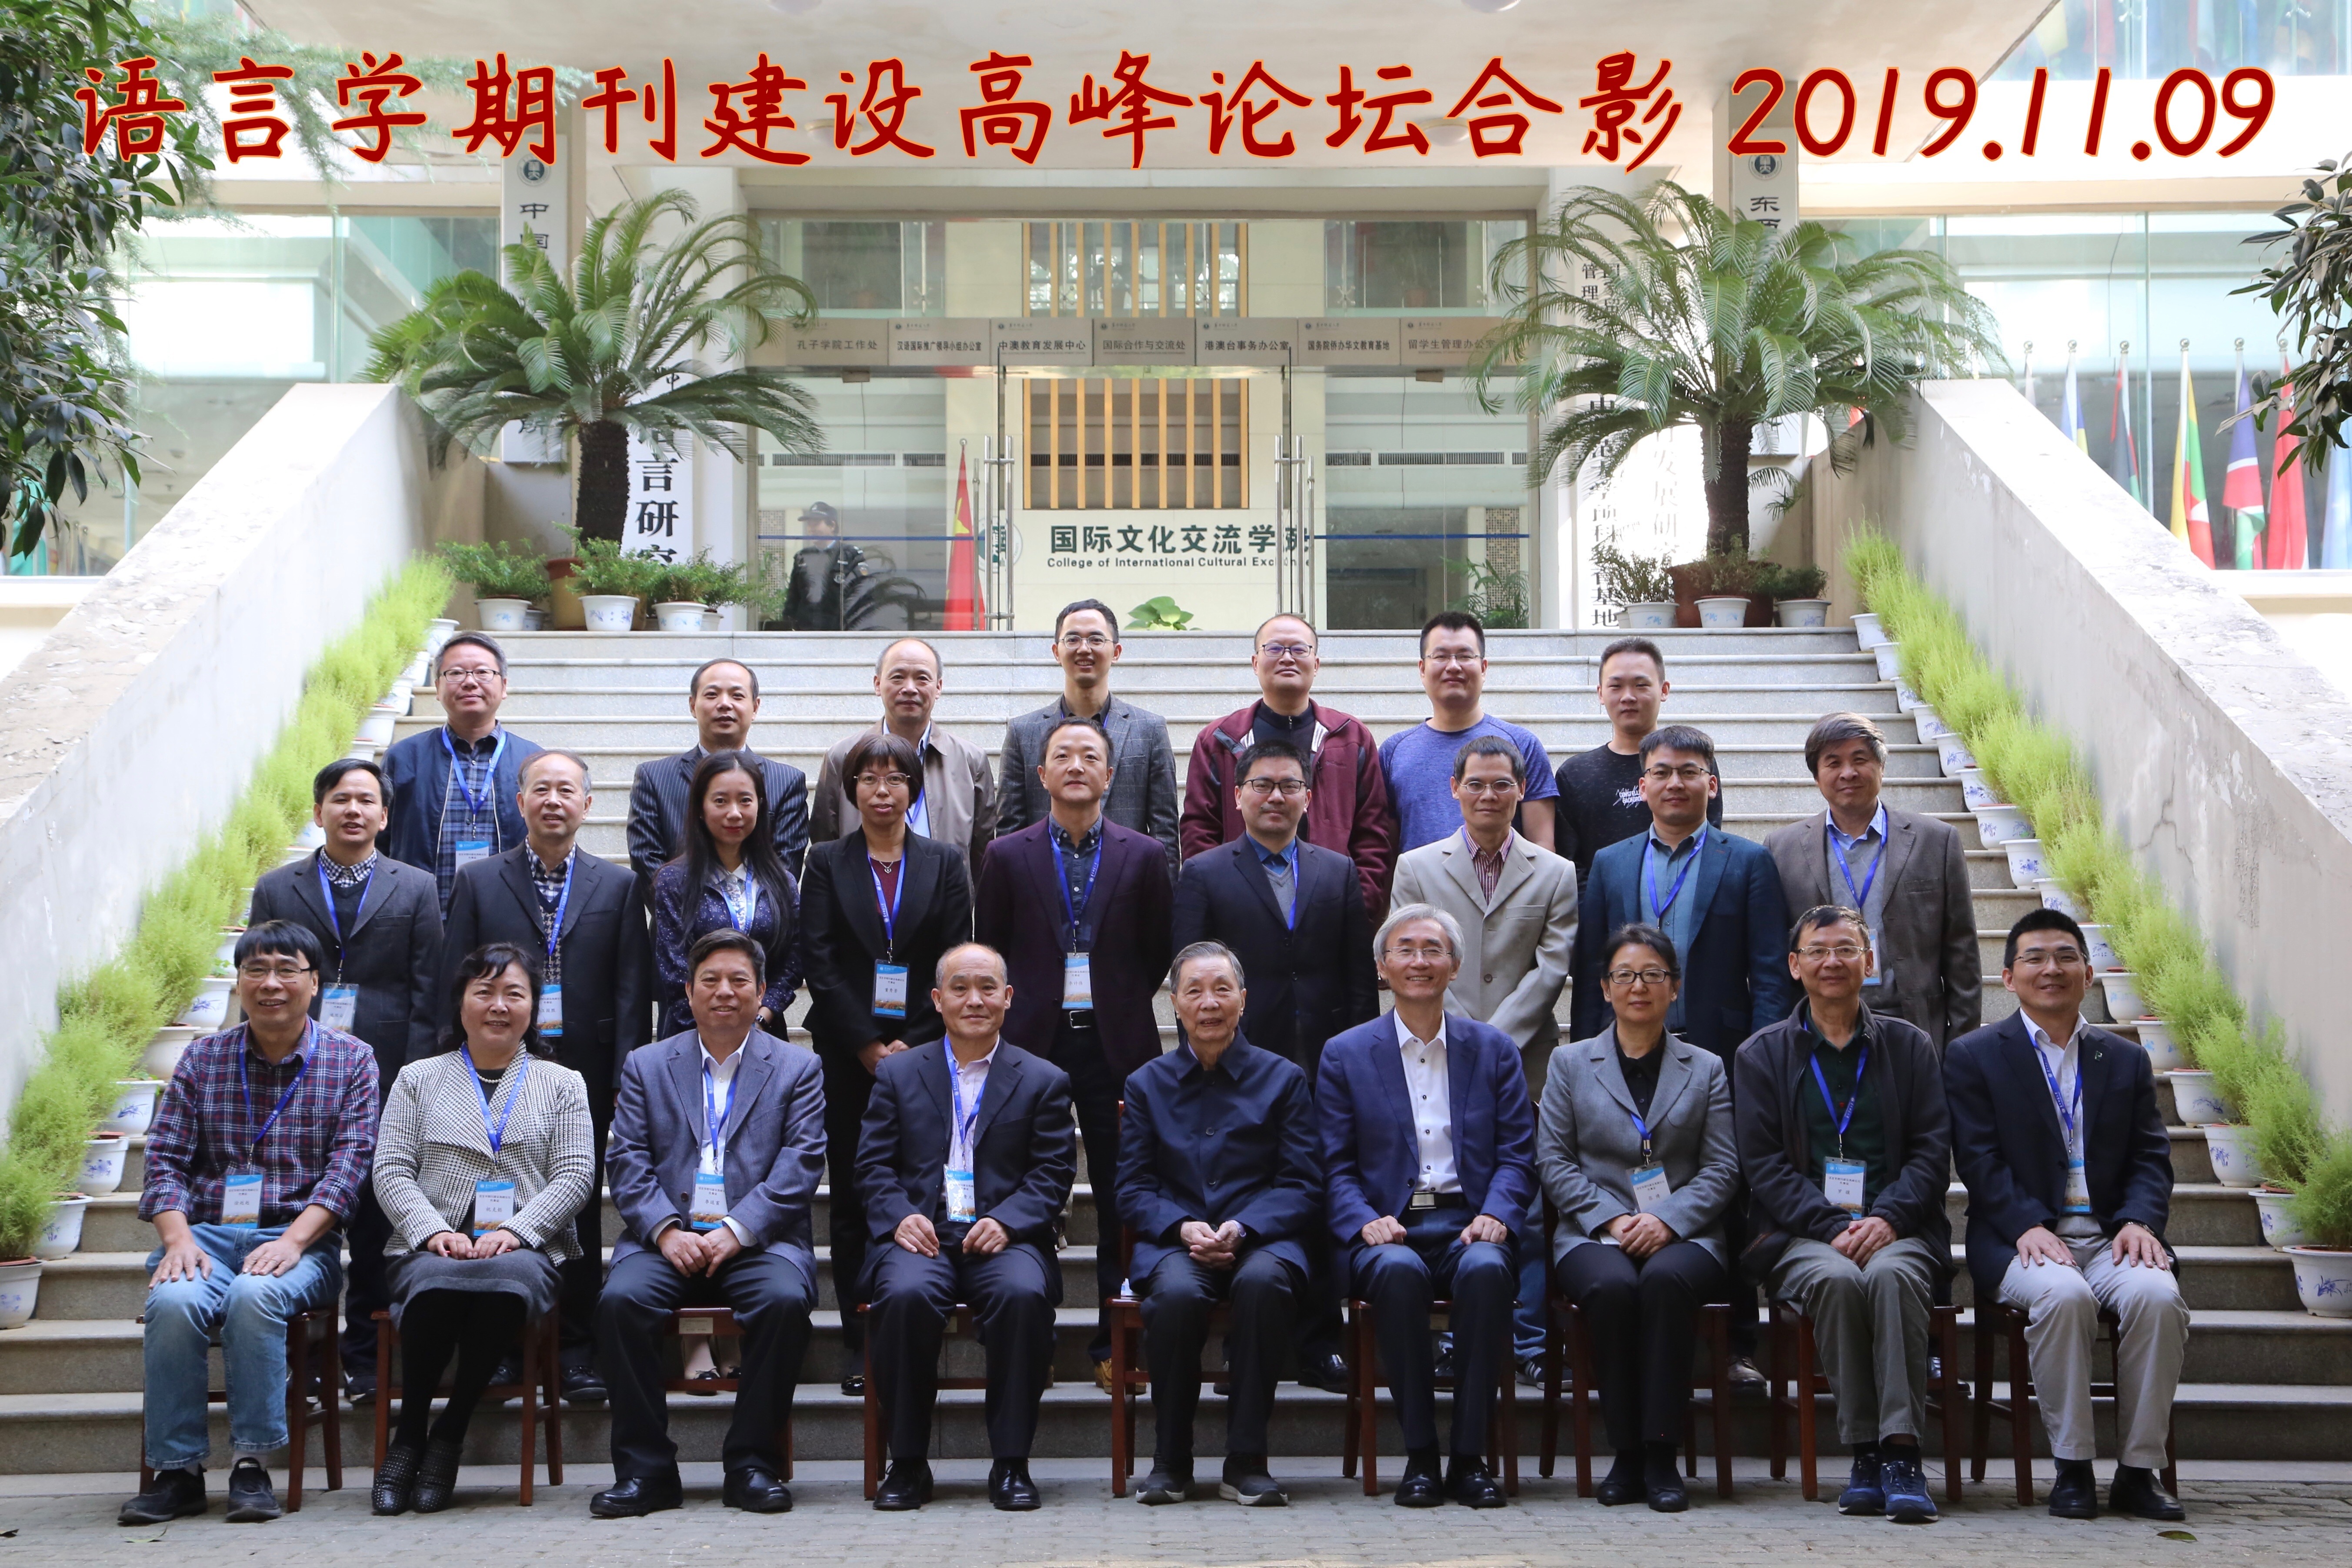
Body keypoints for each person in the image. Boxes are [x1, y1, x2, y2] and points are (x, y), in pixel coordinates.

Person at [118, 921, 379, 1528]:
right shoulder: (203, 1057)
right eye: (256, 970)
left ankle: (252, 1464)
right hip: (205, 1236)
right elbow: (165, 1160)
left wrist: (292, 1241)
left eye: (287, 970)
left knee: (254, 1294)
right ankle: (178, 1472)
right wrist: (177, 1239)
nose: (271, 984)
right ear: (238, 982)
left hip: (300, 1241)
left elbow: (349, 1168)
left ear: (314, 983)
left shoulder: (352, 1061)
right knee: (173, 1301)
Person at [1945, 909, 2187, 1522]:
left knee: (2158, 1297)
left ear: (2088, 973)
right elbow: (1978, 1158)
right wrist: (2026, 1224)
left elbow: (2150, 1156)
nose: (2050, 968)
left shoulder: (2123, 1058)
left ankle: (2137, 1472)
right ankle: (2073, 1467)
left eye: (2065, 956)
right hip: (2020, 1236)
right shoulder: (1974, 1056)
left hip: (2110, 1236)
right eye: (2034, 957)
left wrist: (2139, 1221)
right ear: (2008, 977)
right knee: (2064, 1296)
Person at [592, 930, 828, 1518]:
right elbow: (627, 1160)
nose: (725, 991)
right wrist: (666, 1231)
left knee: (782, 1302)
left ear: (762, 991)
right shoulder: (648, 1064)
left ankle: (752, 1464)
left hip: (758, 1241)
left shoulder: (798, 1066)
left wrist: (738, 1229)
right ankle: (646, 1472)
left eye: (739, 980)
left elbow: (802, 1163)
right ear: (688, 990)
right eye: (711, 980)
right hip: (667, 1238)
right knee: (620, 1302)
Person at [441, 748, 651, 1402]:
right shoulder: (479, 881)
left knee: (577, 1206)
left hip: (588, 1068)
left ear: (588, 804)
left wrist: (625, 1075)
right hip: (497, 1066)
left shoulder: (618, 886)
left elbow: (632, 986)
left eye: (567, 790)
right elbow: (456, 979)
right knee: (496, 1195)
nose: (553, 800)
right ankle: (502, 1346)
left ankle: (578, 1350)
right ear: (520, 801)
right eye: (541, 789)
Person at [1736, 904, 1954, 1525]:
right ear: (1794, 965)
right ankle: (1865, 1452)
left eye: (1846, 949)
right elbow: (1763, 1166)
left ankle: (1902, 1454)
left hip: (1898, 1226)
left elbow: (1931, 1151)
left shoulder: (1909, 1046)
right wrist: (1832, 1226)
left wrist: (1886, 1220)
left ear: (1870, 960)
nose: (1832, 962)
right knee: (1836, 1279)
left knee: (1890, 1275)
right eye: (1818, 951)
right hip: (1800, 1233)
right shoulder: (1760, 1054)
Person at [1318, 904, 1537, 1510]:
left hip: (1470, 1221)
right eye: (1405, 949)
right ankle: (1419, 1454)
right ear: (1383, 967)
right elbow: (1332, 1164)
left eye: (1433, 949)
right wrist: (1364, 1218)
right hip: (1389, 1226)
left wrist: (1497, 1212)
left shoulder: (1494, 1050)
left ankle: (1469, 1458)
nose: (1419, 961)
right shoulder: (1345, 1053)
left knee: (1489, 1271)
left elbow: (1519, 1154)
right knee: (1395, 1274)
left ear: (1455, 965)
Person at [975, 714, 1173, 1377]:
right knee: (1021, 1181)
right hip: (1030, 1043)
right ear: (1041, 774)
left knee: (1121, 1188)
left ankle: (1114, 1340)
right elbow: (992, 945)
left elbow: (1155, 949)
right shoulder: (1007, 855)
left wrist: (1114, 998)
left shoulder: (1144, 855)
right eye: (1063, 755)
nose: (1077, 765)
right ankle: (1025, 1324)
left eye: (1090, 755)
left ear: (1110, 774)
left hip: (1116, 1042)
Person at [367, 942, 595, 1515]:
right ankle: (410, 1434)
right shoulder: (418, 1078)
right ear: (460, 1002)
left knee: (505, 1282)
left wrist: (516, 1231)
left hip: (525, 1246)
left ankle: (449, 1431)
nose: (499, 1005)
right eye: (484, 992)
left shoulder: (563, 1082)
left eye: (514, 993)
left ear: (533, 1007)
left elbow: (576, 1174)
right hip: (434, 1241)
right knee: (436, 1283)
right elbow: (390, 1168)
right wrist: (430, 1231)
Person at [247, 759, 442, 1403]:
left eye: (365, 800)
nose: (352, 810)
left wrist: (416, 1078)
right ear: (318, 811)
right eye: (340, 799)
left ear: (384, 815)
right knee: (301, 1207)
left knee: (376, 1222)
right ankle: (304, 1360)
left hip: (387, 1067)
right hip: (299, 1073)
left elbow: (429, 988)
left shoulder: (416, 887)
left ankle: (364, 1360)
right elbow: (260, 980)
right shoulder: (278, 887)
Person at [858, 943, 1078, 1512]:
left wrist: (1008, 1219)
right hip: (922, 1233)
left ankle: (1011, 1463)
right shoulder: (898, 1072)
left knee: (1023, 1295)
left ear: (1008, 998)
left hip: (1003, 1236)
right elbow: (872, 1165)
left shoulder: (1044, 1079)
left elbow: (1054, 1173)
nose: (974, 1000)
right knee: (904, 1296)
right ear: (937, 999)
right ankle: (908, 1462)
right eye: (960, 988)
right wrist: (900, 1215)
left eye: (987, 988)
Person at [1390, 734, 1579, 1386]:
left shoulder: (1555, 872)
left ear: (1522, 790)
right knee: (1450, 1193)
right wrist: (1464, 1036)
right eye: (1476, 783)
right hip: (1437, 1053)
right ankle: (1455, 1336)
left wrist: (1493, 1041)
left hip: (1527, 1061)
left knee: (1526, 1200)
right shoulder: (1416, 867)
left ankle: (1529, 1339)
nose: (1489, 795)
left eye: (1502, 784)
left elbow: (1552, 966)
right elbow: (1411, 956)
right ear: (1454, 789)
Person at [1535, 924, 1738, 1512]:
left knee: (1666, 1282)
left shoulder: (1706, 1067)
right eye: (1625, 975)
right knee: (1613, 1287)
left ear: (1675, 987)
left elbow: (1723, 1167)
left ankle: (1661, 1452)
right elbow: (1554, 1161)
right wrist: (1611, 1220)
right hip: (1593, 1231)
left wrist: (1667, 1220)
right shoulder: (1570, 1062)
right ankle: (1626, 1452)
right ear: (1604, 987)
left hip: (1686, 1232)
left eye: (1653, 974)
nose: (1639, 986)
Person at [800, 730, 975, 1394]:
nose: (882, 790)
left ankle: (918, 1317)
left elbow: (955, 955)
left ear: (913, 789)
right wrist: (868, 1045)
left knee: (921, 1179)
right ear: (852, 791)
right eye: (869, 779)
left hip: (928, 1051)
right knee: (852, 1192)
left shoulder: (944, 861)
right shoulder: (825, 861)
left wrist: (917, 1041)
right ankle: (860, 1338)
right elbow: (819, 958)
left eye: (895, 779)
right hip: (850, 1054)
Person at [1119, 942, 1321, 1508]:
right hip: (1174, 1242)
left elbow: (1303, 1183)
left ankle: (1247, 1460)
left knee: (1264, 1284)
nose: (1209, 1003)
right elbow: (1132, 1189)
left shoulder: (1283, 1079)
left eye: (1222, 990)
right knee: (1176, 1296)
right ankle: (1171, 1460)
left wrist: (1243, 1227)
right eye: (1195, 991)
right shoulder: (1146, 1084)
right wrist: (1184, 1227)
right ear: (1174, 1004)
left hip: (1262, 1239)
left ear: (1243, 1000)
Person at [1570, 725, 1792, 1062]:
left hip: (1721, 1051)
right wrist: (1585, 1055)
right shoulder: (1610, 863)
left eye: (1689, 772)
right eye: (1661, 773)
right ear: (1643, 787)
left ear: (1712, 785)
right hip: (1622, 1051)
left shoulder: (1750, 862)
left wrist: (1764, 1056)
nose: (1675, 783)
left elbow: (1770, 974)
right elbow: (1591, 970)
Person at [1765, 712, 1980, 1049]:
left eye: (1859, 759)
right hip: (1819, 1031)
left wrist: (1961, 1048)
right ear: (1817, 776)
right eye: (1833, 763)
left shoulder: (1936, 841)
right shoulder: (1782, 849)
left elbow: (1962, 954)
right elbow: (1773, 960)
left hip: (1912, 1026)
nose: (1848, 773)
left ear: (1881, 766)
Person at [1170, 738, 1376, 1084]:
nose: (1276, 797)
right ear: (1238, 796)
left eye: (1290, 786)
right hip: (1239, 1050)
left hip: (1327, 1048)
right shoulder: (1202, 873)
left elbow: (1360, 977)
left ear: (1307, 798)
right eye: (1262, 785)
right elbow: (1186, 978)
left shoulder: (1339, 871)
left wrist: (1364, 1054)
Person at [1179, 614, 1395, 916]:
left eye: (1299, 649)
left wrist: (1358, 909)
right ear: (1255, 663)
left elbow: (1373, 833)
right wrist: (1219, 904)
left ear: (1316, 664)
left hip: (1332, 909)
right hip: (1239, 911)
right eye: (1275, 649)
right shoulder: (1219, 739)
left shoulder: (1351, 738)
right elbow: (1199, 831)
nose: (1287, 658)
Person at [992, 598, 1180, 865]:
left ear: (1116, 652)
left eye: (1096, 639)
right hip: (1044, 882)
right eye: (1072, 640)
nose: (1084, 648)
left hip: (1126, 883)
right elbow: (1009, 833)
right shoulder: (1023, 733)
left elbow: (1165, 835)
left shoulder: (1150, 731)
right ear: (1056, 652)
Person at [377, 631, 544, 915]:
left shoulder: (533, 761)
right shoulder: (403, 757)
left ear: (504, 686)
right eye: (455, 673)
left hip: (508, 921)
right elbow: (380, 842)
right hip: (421, 920)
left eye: (483, 672)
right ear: (438, 688)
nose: (470, 682)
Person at [809, 637, 996, 881]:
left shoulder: (971, 760)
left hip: (945, 899)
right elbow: (825, 839)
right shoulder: (842, 757)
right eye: (898, 677)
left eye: (922, 678)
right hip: (862, 899)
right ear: (878, 684)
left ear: (939, 687)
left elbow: (982, 852)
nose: (910, 688)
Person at [627, 657, 811, 895]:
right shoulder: (653, 778)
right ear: (693, 705)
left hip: (760, 918)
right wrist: (694, 912)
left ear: (755, 707)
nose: (725, 704)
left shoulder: (787, 781)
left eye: (737, 696)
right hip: (680, 916)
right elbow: (647, 863)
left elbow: (785, 869)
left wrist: (748, 913)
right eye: (712, 695)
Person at [1378, 611, 1557, 856]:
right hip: (1420, 882)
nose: (1453, 666)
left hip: (1505, 881)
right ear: (1422, 669)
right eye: (1441, 656)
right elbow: (1385, 849)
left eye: (1465, 656)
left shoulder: (1523, 745)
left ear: (1483, 668)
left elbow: (1543, 848)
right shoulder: (1393, 752)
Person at [651, 749, 801, 1039]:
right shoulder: (673, 881)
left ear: (760, 805)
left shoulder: (782, 882)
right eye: (720, 801)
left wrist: (761, 1017)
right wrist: (718, 1028)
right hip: (691, 1035)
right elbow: (675, 970)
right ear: (700, 807)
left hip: (765, 1034)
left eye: (745, 800)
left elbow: (793, 962)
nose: (734, 813)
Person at [1551, 637, 1722, 887]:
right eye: (1616, 686)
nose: (1628, 697)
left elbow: (1710, 840)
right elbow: (1569, 863)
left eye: (1641, 685)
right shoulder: (1575, 774)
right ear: (1600, 693)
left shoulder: (1692, 764)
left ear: (1664, 690)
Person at [781, 501, 868, 631]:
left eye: (816, 524)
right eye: (809, 525)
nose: (811, 529)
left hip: (841, 632)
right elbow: (793, 601)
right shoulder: (803, 557)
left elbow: (862, 597)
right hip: (807, 632)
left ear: (832, 525)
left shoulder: (850, 555)